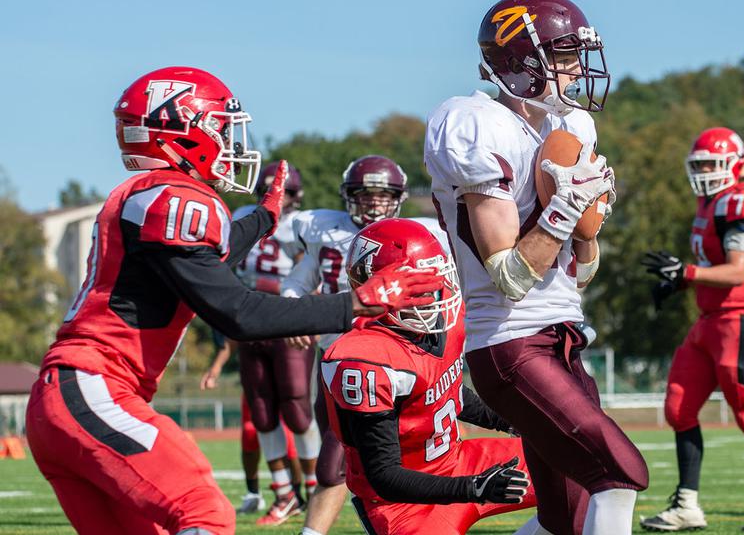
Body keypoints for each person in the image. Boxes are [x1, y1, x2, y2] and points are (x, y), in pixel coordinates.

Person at [24, 66, 444, 535]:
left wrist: (264, 218)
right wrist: (355, 303)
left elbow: (211, 259)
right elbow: (240, 312)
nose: (229, 143)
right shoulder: (174, 197)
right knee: (205, 510)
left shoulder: (145, 195)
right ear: (183, 130)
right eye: (221, 128)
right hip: (95, 388)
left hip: (67, 398)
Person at [424, 0, 649, 535]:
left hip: (563, 332)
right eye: (564, 56)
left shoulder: (567, 129)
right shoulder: (475, 123)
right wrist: (566, 207)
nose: (576, 71)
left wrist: (588, 227)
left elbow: (578, 273)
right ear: (522, 62)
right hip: (508, 341)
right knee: (619, 472)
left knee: (563, 520)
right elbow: (509, 278)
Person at [639, 127, 744, 532]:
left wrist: (687, 272)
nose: (707, 171)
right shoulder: (708, 202)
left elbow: (737, 271)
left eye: (714, 163)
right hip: (709, 323)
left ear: (739, 164)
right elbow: (710, 269)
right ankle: (687, 506)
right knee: (678, 409)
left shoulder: (742, 198)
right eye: (700, 165)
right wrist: (677, 281)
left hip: (742, 318)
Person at [322, 218, 535, 535]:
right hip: (402, 504)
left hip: (460, 461)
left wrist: (507, 420)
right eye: (413, 284)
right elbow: (384, 475)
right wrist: (474, 488)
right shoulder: (363, 358)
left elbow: (447, 392)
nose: (428, 294)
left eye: (430, 279)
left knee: (580, 466)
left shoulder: (447, 322)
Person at [279, 155, 448, 535]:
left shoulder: (415, 234)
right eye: (365, 194)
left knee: (342, 459)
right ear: (348, 196)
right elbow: (295, 285)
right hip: (335, 357)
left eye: (381, 195)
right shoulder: (325, 232)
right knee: (352, 462)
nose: (373, 202)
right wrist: (296, 317)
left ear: (398, 197)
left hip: (393, 360)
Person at [231, 162, 320, 526]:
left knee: (297, 410)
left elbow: (316, 273)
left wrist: (308, 311)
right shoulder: (243, 216)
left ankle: (316, 490)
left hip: (287, 321)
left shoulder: (307, 225)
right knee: (262, 412)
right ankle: (285, 494)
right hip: (249, 320)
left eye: (286, 193)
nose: (281, 201)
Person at [198, 331, 301, 516]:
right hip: (257, 375)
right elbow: (234, 334)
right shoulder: (243, 306)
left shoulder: (283, 304)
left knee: (290, 433)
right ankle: (253, 493)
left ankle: (298, 494)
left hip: (283, 371)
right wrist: (216, 367)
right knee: (250, 432)